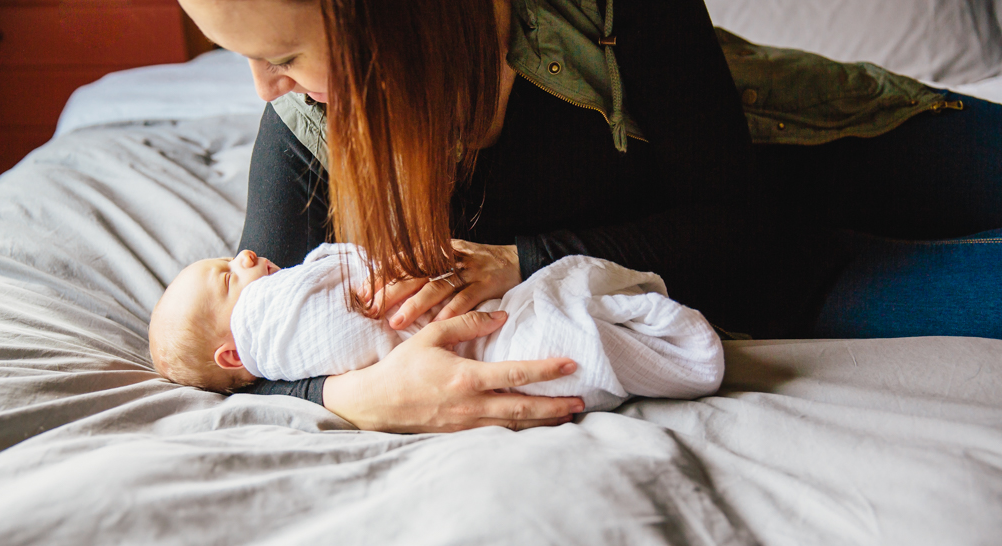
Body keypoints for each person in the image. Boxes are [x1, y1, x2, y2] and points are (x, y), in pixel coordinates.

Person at [176, 0, 1002, 433]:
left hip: (820, 155)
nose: (261, 88)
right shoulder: (305, 140)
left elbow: (746, 227)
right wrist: (359, 397)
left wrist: (519, 259)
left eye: (282, 56)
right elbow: (247, 350)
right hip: (795, 288)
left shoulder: (602, 11)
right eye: (238, 55)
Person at [148, 246, 724, 412]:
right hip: (480, 338)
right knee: (551, 337)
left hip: (489, 306)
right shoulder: (265, 322)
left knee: (549, 311)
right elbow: (346, 317)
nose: (246, 253)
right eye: (227, 274)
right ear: (232, 356)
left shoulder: (262, 314)